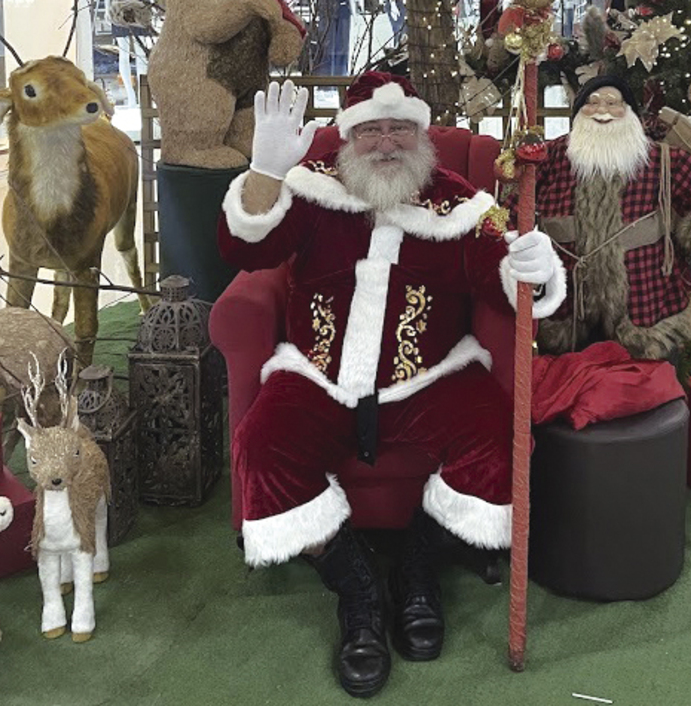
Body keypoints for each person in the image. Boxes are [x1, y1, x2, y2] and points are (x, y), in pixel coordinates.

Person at [216, 71, 565, 698]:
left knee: (497, 444)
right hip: (316, 377)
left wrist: (533, 270)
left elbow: (504, 279)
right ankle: (356, 590)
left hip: (428, 379)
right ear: (348, 138)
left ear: (421, 135)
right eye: (371, 130)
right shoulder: (311, 189)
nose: (384, 143)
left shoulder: (462, 206)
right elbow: (246, 253)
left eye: (399, 129)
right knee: (262, 448)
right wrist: (265, 174)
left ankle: (416, 566)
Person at [514, 74, 691, 360]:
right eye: (591, 103)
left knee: (646, 396)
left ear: (631, 114)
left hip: (646, 313)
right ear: (578, 114)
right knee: (574, 395)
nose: (602, 110)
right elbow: (513, 204)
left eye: (613, 103)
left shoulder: (663, 161)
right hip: (569, 315)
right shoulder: (552, 158)